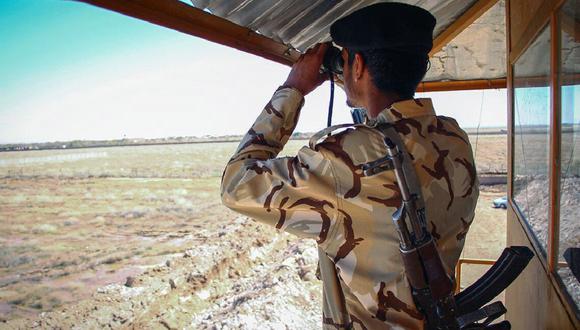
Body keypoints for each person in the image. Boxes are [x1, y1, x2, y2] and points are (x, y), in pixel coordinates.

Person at [221, 3, 478, 329]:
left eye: (343, 62)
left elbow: (236, 184)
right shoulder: (453, 137)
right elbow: (386, 132)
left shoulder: (341, 159)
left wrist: (294, 89)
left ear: (357, 65)